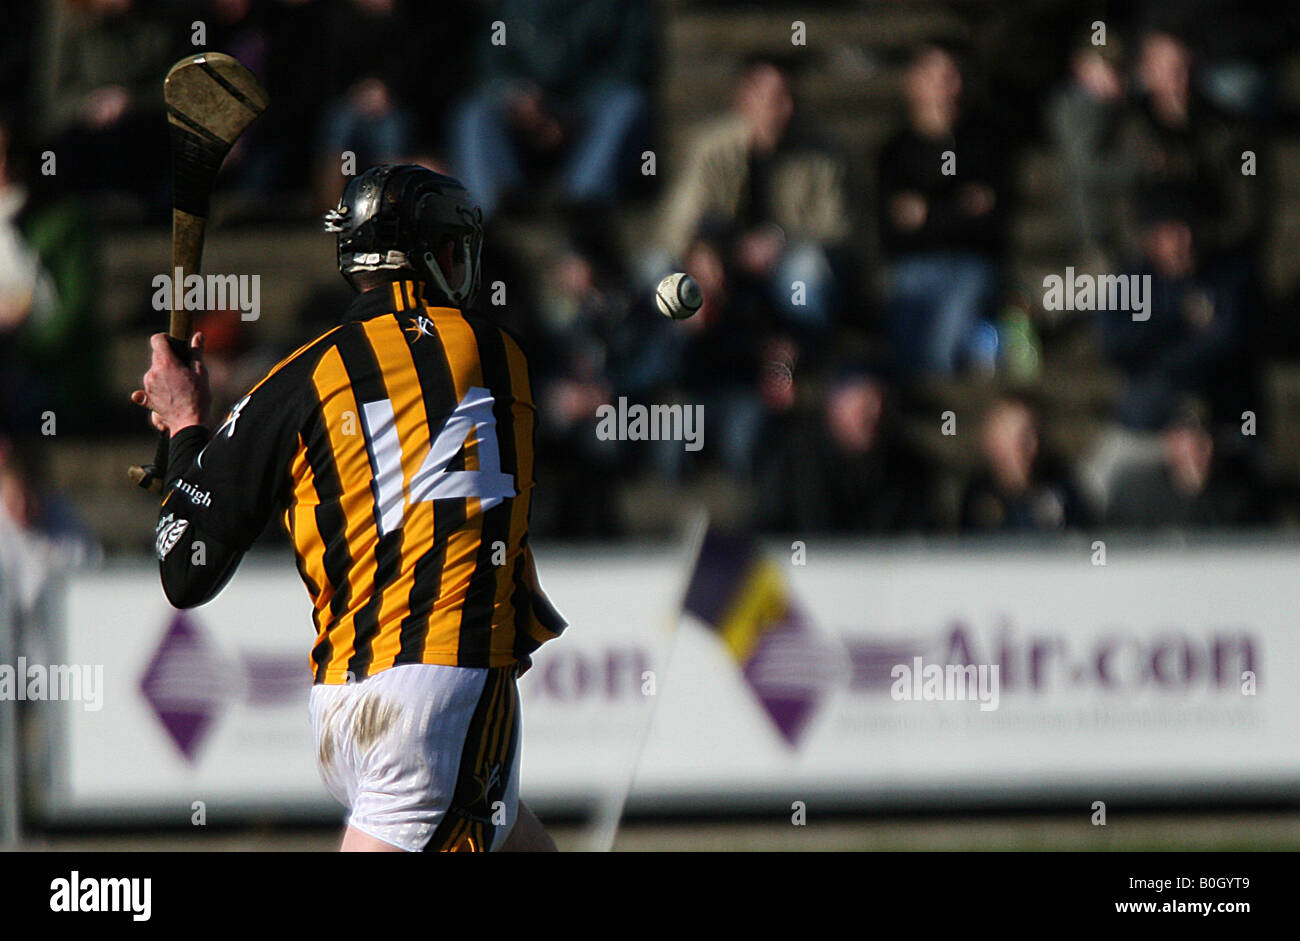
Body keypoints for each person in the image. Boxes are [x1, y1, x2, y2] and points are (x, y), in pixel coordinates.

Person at [131, 165, 564, 852]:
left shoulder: (297, 379)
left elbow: (184, 566)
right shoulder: (497, 351)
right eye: (452, 245)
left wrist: (186, 424)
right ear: (432, 256)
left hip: (343, 705)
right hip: (439, 693)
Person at [876, 42, 1008, 378]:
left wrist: (926, 214)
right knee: (906, 342)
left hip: (971, 267)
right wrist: (958, 210)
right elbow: (890, 228)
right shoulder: (895, 151)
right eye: (934, 76)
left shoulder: (984, 144)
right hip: (913, 267)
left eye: (952, 77)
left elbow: (991, 223)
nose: (946, 87)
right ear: (914, 82)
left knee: (944, 346)